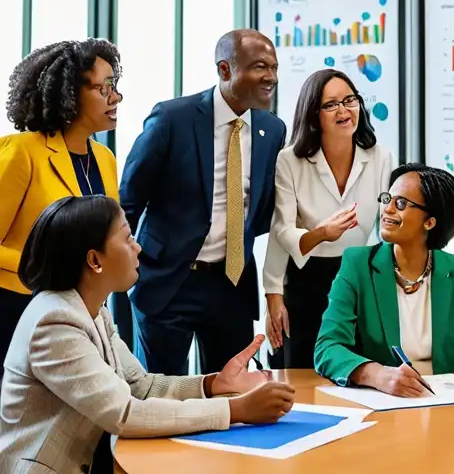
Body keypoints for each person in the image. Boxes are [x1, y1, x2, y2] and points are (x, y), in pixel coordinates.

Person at [0, 196, 295, 474]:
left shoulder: (92, 309)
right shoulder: (56, 322)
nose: (138, 247)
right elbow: (126, 414)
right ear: (94, 260)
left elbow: (140, 385)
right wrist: (236, 409)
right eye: (128, 238)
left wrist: (213, 384)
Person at [120, 29, 287, 375]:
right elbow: (129, 203)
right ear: (225, 70)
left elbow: (261, 208)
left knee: (231, 395)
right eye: (260, 67)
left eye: (273, 67)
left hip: (231, 284)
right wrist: (126, 270)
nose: (270, 77)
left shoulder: (272, 130)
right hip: (168, 282)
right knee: (159, 396)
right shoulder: (171, 119)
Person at [314, 164, 454, 396]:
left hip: (447, 402)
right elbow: (328, 348)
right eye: (387, 199)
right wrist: (378, 375)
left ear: (430, 222)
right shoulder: (358, 264)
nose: (387, 209)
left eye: (400, 203)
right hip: (384, 404)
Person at [0, 39, 122, 375]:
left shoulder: (105, 159)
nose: (116, 98)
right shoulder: (23, 151)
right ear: (70, 93)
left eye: (116, 86)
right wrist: (50, 266)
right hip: (18, 309)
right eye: (104, 88)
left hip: (80, 314)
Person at [263, 69, 396, 369]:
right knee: (302, 370)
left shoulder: (380, 157)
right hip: (306, 276)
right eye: (331, 104)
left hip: (359, 276)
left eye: (350, 100)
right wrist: (273, 295)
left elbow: (388, 225)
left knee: (357, 370)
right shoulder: (290, 160)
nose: (344, 110)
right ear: (313, 114)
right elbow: (281, 230)